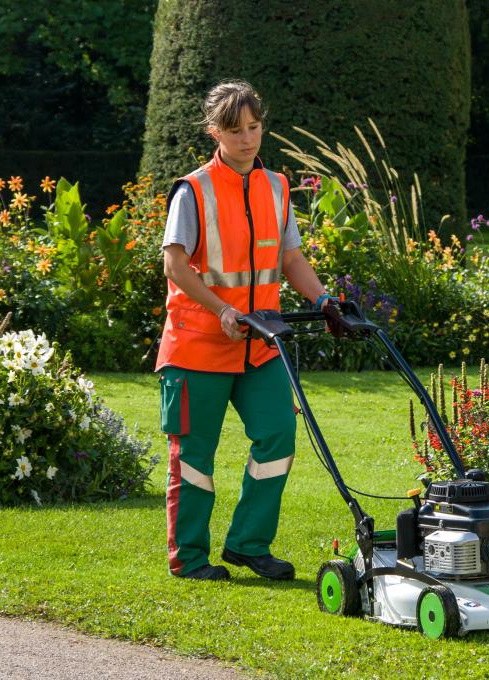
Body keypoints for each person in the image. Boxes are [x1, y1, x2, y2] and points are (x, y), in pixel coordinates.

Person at [156, 80, 334, 581]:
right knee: (194, 458)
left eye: (254, 127)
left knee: (278, 436)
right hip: (197, 347)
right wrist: (221, 311)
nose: (247, 139)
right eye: (235, 131)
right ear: (215, 132)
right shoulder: (193, 191)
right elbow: (175, 265)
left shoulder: (276, 187)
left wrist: (323, 301)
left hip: (260, 347)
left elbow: (290, 257)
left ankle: (248, 545)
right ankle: (189, 560)